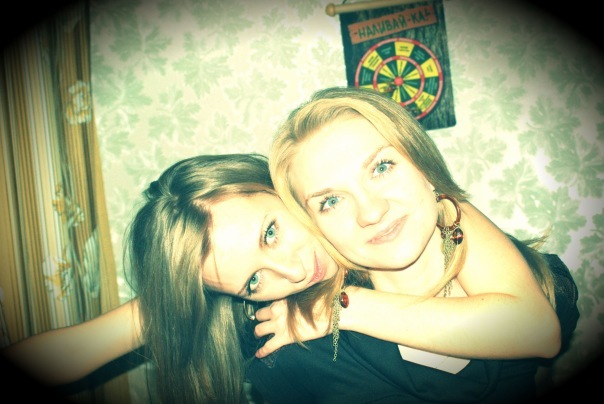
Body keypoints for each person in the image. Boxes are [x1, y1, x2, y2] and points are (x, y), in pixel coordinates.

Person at [1, 143, 577, 403]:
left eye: (271, 232)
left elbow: (534, 328)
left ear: (280, 187)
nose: (294, 270)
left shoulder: (425, 224)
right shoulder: (278, 341)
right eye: (253, 281)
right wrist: (164, 303)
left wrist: (342, 309)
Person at [244, 86, 580, 402]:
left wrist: (344, 308)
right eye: (331, 201)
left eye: (382, 167)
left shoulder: (546, 285)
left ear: (423, 165)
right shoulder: (299, 358)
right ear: (312, 224)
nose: (372, 212)